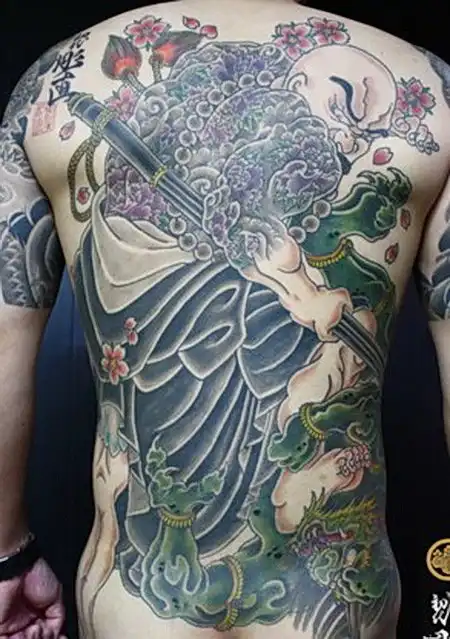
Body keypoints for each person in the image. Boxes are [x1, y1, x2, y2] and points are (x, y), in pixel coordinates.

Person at [1, 0, 450, 636]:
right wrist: (299, 289)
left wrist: (6, 558)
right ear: (303, 79)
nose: (351, 139)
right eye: (351, 106)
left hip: (131, 609)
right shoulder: (433, 88)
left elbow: (3, 342)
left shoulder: (51, 83)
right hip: (335, 610)